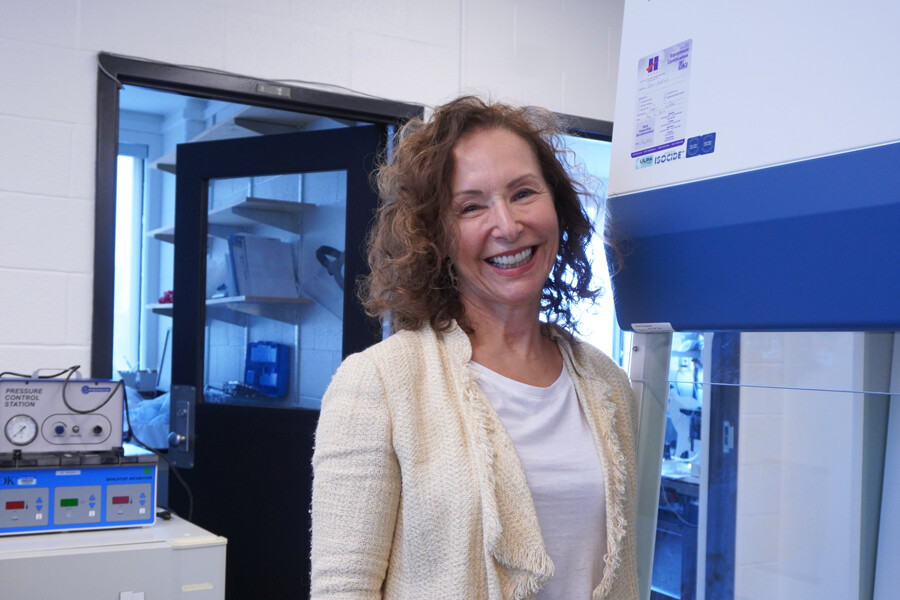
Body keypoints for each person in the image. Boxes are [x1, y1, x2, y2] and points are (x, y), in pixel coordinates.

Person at [310, 96, 638, 600]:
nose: (507, 226)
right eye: (471, 206)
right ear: (435, 236)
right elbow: (341, 590)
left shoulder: (607, 385)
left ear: (558, 204)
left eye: (523, 193)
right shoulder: (378, 383)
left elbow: (624, 576)